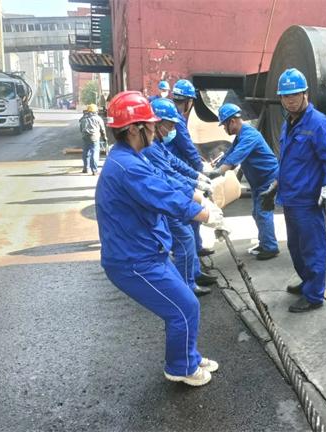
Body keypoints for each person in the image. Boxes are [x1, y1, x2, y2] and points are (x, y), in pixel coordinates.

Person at [95, 91, 223, 386]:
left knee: (185, 303)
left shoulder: (131, 157)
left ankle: (188, 356)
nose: (154, 129)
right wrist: (206, 215)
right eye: (150, 125)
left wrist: (197, 195)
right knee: (184, 308)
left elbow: (164, 179)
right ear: (133, 129)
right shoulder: (128, 167)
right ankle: (180, 367)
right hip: (133, 261)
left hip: (148, 251)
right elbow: (164, 197)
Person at [260, 68, 326, 313]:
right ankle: (308, 281)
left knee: (312, 248)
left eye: (295, 94)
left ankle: (314, 295)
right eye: (285, 96)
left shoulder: (318, 123)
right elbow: (287, 160)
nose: (290, 100)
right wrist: (275, 186)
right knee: (295, 248)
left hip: (308, 201)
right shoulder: (289, 123)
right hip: (290, 199)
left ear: (306, 94)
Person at [144, 97, 218, 296]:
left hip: (171, 195)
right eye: (170, 125)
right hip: (166, 200)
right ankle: (186, 286)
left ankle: (193, 274)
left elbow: (175, 163)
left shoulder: (157, 143)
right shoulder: (150, 148)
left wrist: (198, 176)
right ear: (157, 123)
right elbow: (169, 176)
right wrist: (196, 188)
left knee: (188, 236)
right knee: (184, 239)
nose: (172, 130)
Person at [210, 103, 279, 260]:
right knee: (257, 213)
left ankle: (270, 247)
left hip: (268, 179)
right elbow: (230, 153)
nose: (224, 128)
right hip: (258, 180)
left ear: (232, 121)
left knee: (263, 213)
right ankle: (265, 243)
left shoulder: (249, 135)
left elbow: (236, 157)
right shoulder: (241, 135)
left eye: (224, 125)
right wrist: (216, 167)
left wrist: (218, 172)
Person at [171, 79, 214, 259]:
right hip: (177, 173)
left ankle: (195, 247)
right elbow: (187, 147)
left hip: (177, 168)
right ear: (189, 101)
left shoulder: (172, 115)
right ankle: (191, 252)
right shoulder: (176, 119)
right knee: (189, 211)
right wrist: (200, 170)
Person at [79, 104, 107, 175]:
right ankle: (94, 170)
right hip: (94, 138)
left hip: (85, 137)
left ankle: (85, 168)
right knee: (94, 153)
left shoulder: (83, 118)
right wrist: (104, 137)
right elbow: (102, 129)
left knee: (86, 152)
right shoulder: (98, 118)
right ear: (96, 111)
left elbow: (81, 129)